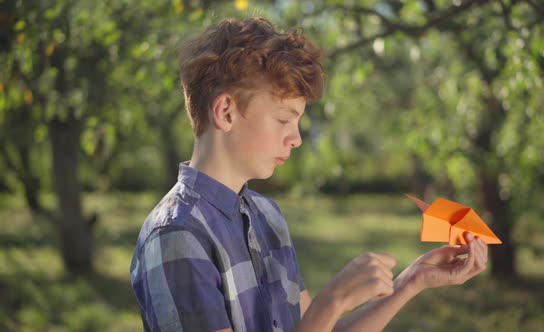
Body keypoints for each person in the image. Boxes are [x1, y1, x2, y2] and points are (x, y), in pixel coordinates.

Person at [129, 17, 488, 332]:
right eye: (284, 119)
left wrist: (413, 281)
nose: (296, 138)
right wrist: (331, 301)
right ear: (225, 112)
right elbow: (320, 319)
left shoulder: (266, 216)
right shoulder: (177, 235)